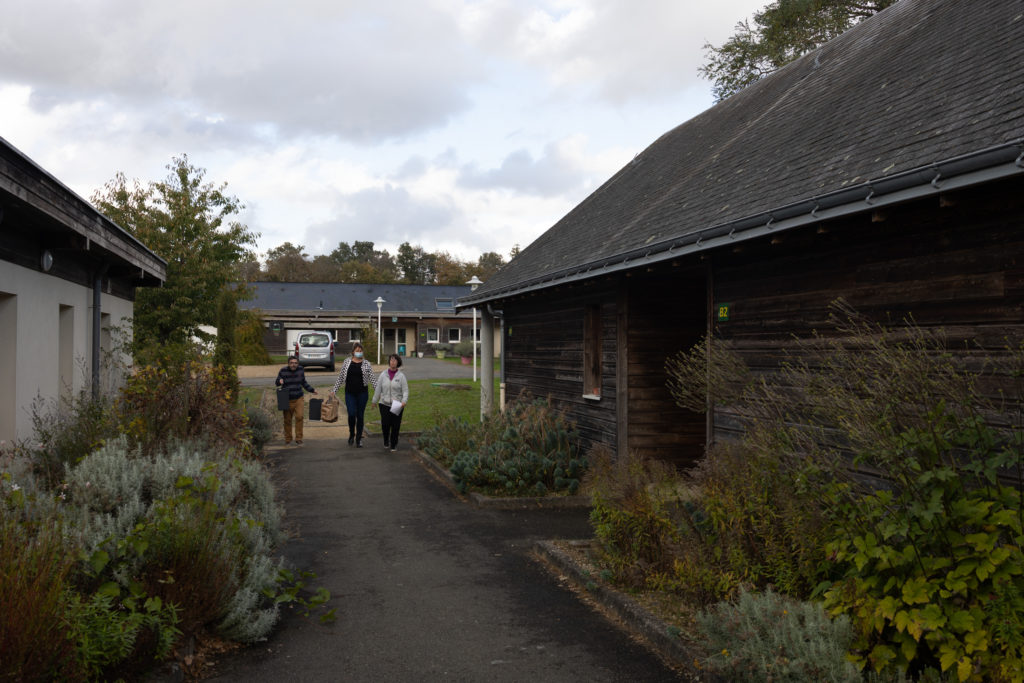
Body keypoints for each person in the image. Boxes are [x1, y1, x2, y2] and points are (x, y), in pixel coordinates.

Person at [331, 342, 376, 447]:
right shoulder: (346, 362)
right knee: (351, 414)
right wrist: (334, 390)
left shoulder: (367, 364)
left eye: (361, 351)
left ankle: (359, 438)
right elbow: (341, 377)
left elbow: (373, 380)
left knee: (360, 416)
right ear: (353, 352)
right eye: (357, 351)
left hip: (362, 393)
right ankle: (352, 433)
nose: (359, 353)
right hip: (350, 393)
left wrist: (378, 393)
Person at [275, 356, 317, 445]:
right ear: (288, 363)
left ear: (298, 364)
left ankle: (299, 438)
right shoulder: (283, 371)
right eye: (291, 363)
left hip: (298, 398)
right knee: (287, 420)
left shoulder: (301, 370)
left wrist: (312, 390)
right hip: (287, 399)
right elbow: (277, 382)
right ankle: (288, 438)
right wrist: (280, 381)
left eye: (295, 363)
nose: (293, 364)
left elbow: (304, 382)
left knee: (299, 417)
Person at [372, 353, 409, 451]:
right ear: (389, 362)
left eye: (395, 360)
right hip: (384, 404)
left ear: (398, 363)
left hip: (397, 405)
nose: (392, 362)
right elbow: (378, 388)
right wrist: (374, 401)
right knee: (385, 424)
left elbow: (405, 390)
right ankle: (386, 440)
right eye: (391, 360)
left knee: (395, 425)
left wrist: (404, 401)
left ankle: (394, 444)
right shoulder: (383, 374)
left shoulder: (401, 376)